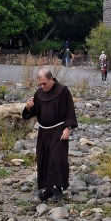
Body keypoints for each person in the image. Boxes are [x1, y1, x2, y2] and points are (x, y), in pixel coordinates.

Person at [22, 69, 78, 201]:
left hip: (58, 130)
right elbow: (33, 112)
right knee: (44, 159)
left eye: (45, 83)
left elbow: (69, 110)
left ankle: (58, 189)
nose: (42, 86)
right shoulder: (39, 93)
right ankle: (47, 188)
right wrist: (28, 107)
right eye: (40, 84)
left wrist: (67, 128)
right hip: (43, 131)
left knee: (57, 159)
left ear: (51, 79)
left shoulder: (63, 91)